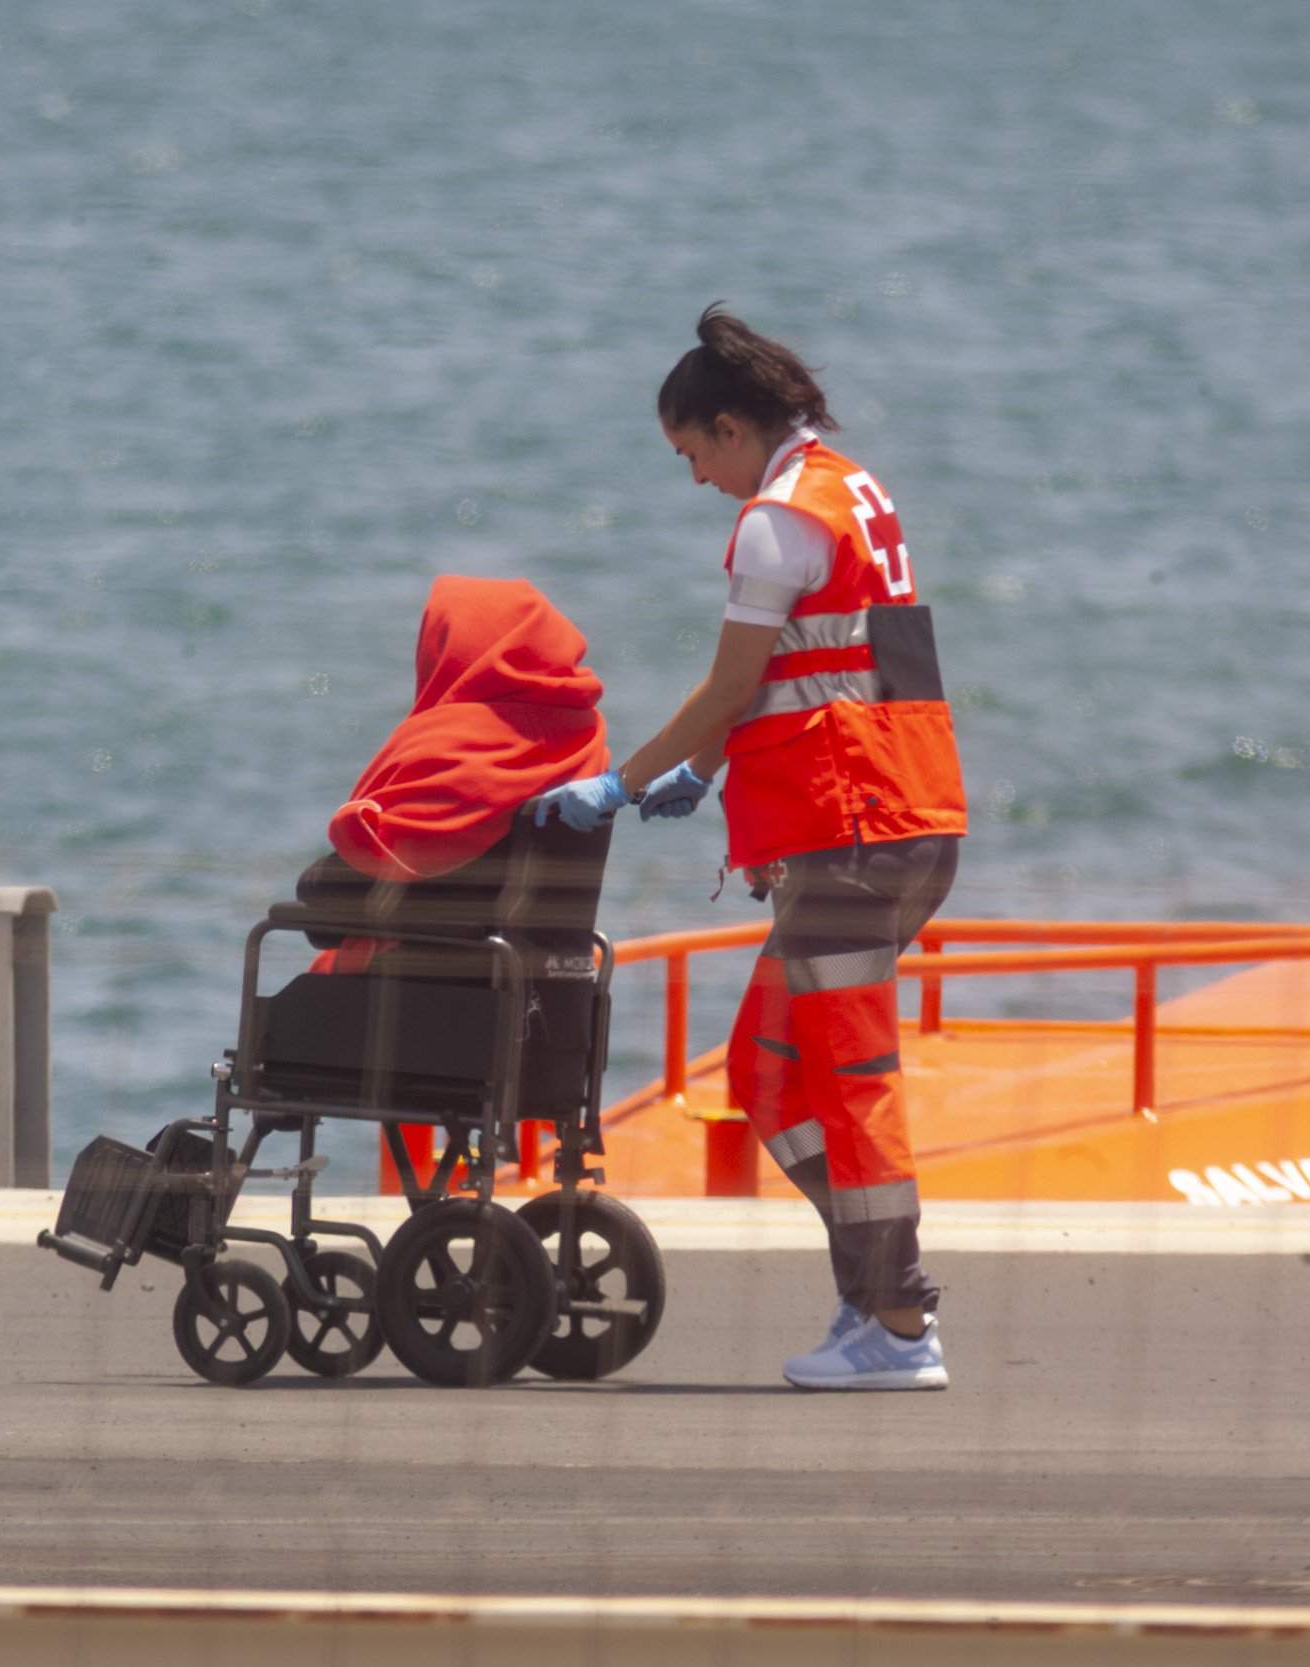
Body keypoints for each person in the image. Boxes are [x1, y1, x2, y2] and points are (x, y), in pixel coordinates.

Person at [538, 305, 966, 1391]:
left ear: (730, 428)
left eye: (690, 454)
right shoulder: (853, 490)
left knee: (853, 1078)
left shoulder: (778, 518)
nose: (694, 480)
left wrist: (621, 783)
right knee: (771, 1077)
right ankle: (874, 1283)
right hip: (902, 816)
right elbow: (825, 671)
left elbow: (734, 680)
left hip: (848, 835)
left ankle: (899, 1320)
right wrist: (714, 766)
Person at [297, 574, 607, 971]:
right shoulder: (583, 743)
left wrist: (314, 888)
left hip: (420, 1006)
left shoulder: (458, 748)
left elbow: (329, 905)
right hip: (548, 1002)